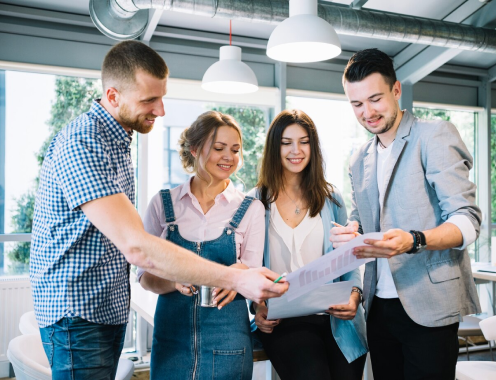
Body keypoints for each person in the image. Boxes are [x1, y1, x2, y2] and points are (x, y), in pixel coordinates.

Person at [29, 40, 287, 379]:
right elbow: (136, 246)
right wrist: (234, 276)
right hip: (79, 315)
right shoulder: (85, 143)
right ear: (112, 97)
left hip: (102, 313)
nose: (161, 110)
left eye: (161, 97)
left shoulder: (117, 144)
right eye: (149, 100)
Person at [330, 48, 482, 380]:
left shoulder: (434, 135)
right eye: (357, 104)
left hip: (429, 306)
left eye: (375, 99)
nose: (367, 112)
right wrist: (350, 234)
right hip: (378, 307)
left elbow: (467, 219)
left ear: (396, 90)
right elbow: (362, 220)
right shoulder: (359, 159)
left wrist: (414, 240)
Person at [138, 111, 264, 379]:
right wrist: (174, 282)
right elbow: (145, 278)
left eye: (235, 149)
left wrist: (236, 278)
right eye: (219, 148)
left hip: (228, 344)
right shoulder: (163, 204)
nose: (229, 157)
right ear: (194, 149)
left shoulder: (251, 209)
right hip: (172, 343)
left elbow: (253, 273)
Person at [250, 109, 368, 380]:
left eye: (304, 141)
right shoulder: (256, 201)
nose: (296, 150)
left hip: (336, 319)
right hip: (284, 320)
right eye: (286, 142)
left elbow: (348, 259)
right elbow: (250, 267)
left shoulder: (331, 198)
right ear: (274, 147)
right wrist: (258, 307)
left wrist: (354, 295)